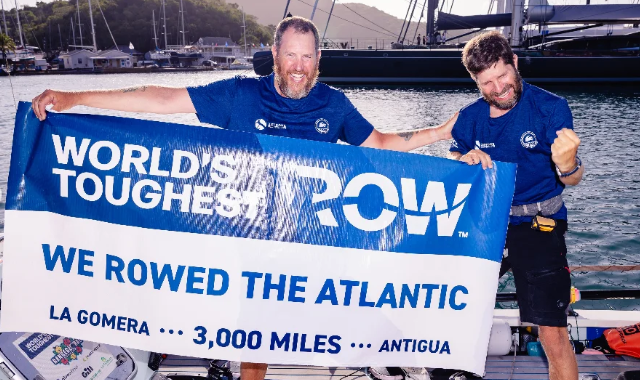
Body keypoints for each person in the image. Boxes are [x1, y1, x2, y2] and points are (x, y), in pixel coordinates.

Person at [33, 16, 456, 380]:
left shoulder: (334, 105)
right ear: (274, 54)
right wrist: (74, 98)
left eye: (307, 57)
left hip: (313, 238)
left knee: (360, 297)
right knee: (257, 334)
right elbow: (163, 99)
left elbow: (378, 143)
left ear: (318, 60)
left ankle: (392, 359)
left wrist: (439, 133)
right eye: (290, 55)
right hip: (251, 239)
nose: (298, 67)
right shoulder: (240, 95)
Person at [447, 31, 583, 380]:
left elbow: (572, 177)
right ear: (476, 82)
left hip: (540, 223)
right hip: (488, 220)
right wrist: (465, 157)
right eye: (487, 82)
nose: (499, 88)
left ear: (515, 64)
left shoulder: (550, 107)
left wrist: (567, 163)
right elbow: (454, 157)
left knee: (551, 330)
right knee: (451, 302)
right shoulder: (469, 117)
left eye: (503, 75)